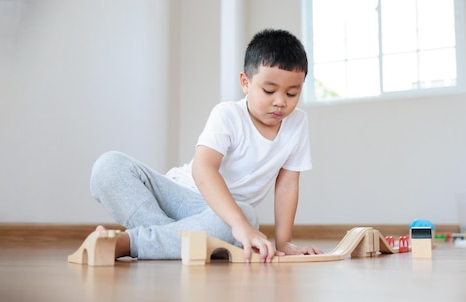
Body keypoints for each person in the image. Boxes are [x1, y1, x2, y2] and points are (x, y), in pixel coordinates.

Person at [89, 28, 322, 262]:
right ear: (245, 82)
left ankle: (132, 242)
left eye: (292, 93)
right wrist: (239, 225)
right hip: (178, 195)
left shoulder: (297, 124)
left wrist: (284, 243)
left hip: (223, 215)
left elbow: (287, 187)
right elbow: (203, 169)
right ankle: (177, 241)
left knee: (245, 215)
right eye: (269, 91)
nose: (280, 102)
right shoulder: (228, 114)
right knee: (108, 166)